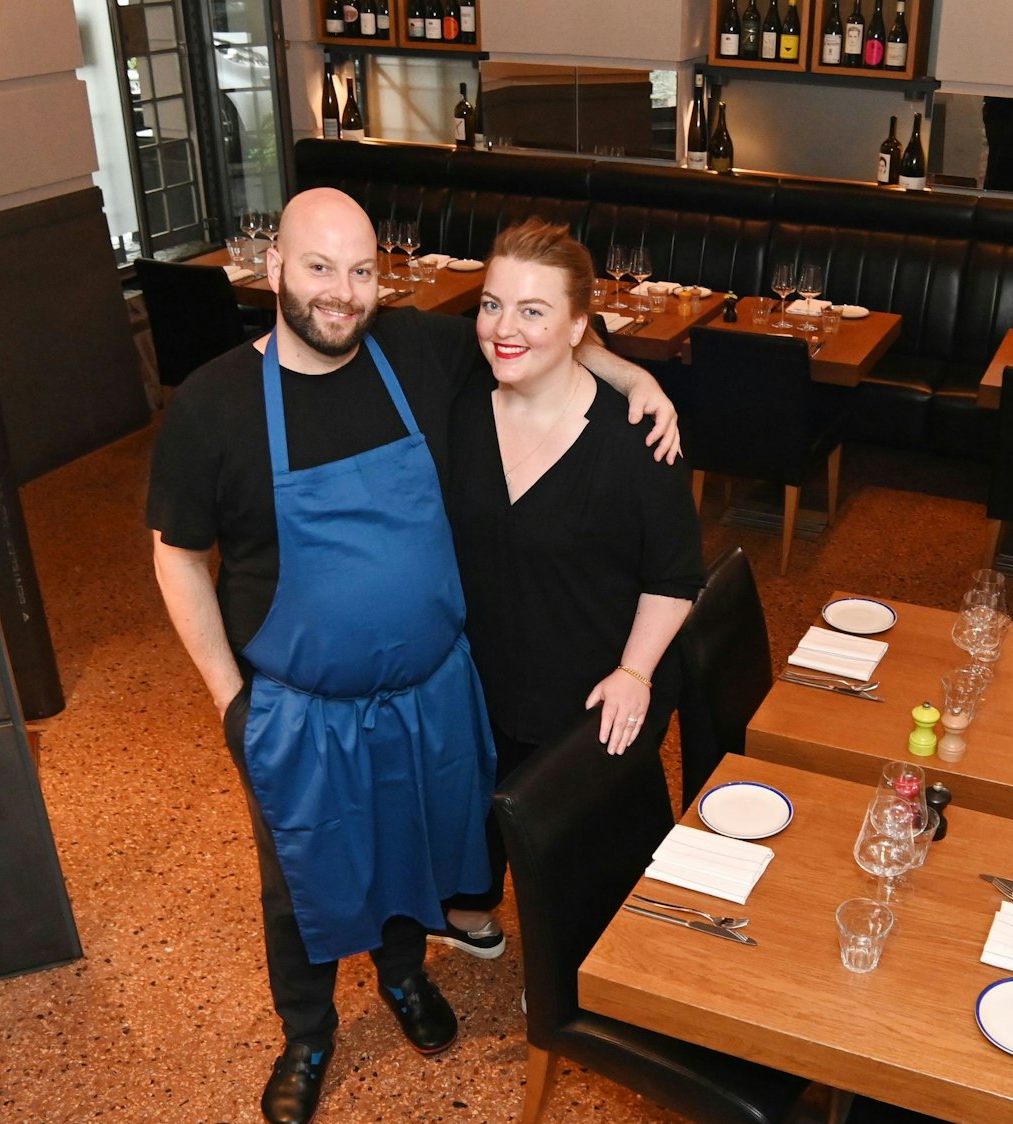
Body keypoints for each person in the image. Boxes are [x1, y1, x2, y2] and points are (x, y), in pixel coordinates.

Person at [145, 189, 677, 1124]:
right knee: (298, 878)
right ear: (274, 268)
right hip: (298, 707)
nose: (341, 293)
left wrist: (631, 375)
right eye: (319, 268)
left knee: (410, 847)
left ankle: (402, 976)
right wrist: (229, 697)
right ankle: (307, 1034)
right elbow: (177, 555)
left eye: (361, 271)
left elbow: (534, 331)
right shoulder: (213, 404)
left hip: (428, 692)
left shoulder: (413, 350)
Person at [440, 219, 705, 943]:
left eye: (533, 311)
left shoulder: (637, 437)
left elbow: (675, 575)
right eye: (492, 305)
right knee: (473, 815)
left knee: (587, 869)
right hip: (482, 677)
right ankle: (469, 910)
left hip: (592, 689)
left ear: (579, 326)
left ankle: (579, 966)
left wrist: (634, 673)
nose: (504, 328)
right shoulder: (459, 404)